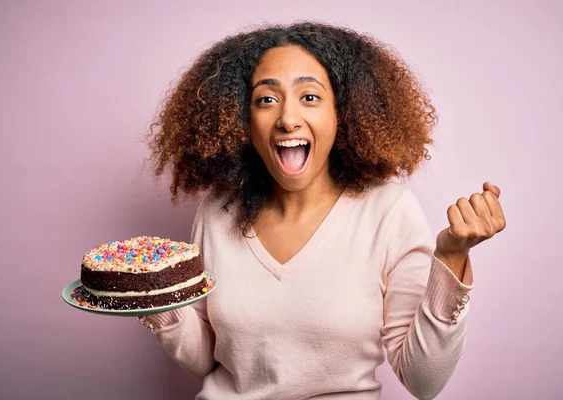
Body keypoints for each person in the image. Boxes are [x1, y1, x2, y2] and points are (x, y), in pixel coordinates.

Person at [138, 21, 506, 400]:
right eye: (266, 99)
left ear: (342, 114)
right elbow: (205, 362)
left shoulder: (387, 211)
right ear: (243, 121)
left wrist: (451, 256)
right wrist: (149, 298)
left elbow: (424, 382)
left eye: (309, 97)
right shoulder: (218, 212)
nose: (287, 119)